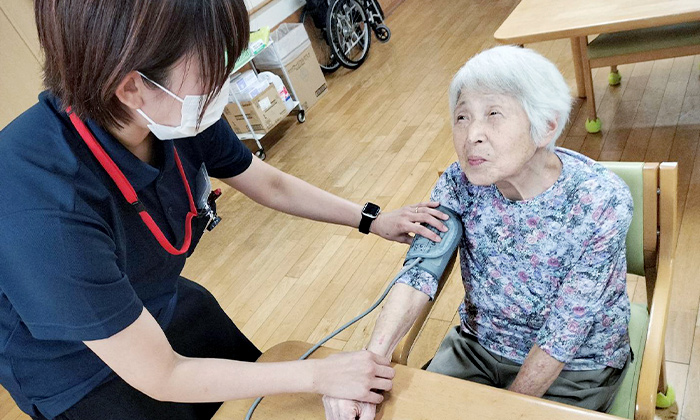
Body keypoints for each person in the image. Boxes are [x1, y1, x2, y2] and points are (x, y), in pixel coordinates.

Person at [0, 1, 449, 419]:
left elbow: (266, 181)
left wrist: (372, 219)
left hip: (161, 299)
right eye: (211, 71)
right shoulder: (43, 209)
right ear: (132, 87)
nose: (223, 84)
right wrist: (318, 374)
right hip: (75, 370)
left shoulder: (170, 113)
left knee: (266, 401)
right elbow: (162, 374)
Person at [323, 45, 634, 420]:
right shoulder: (460, 182)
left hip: (577, 366)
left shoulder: (600, 201)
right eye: (462, 117)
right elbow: (421, 271)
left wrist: (507, 409)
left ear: (546, 126)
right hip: (478, 348)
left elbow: (565, 331)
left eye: (493, 114)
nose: (472, 135)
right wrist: (370, 367)